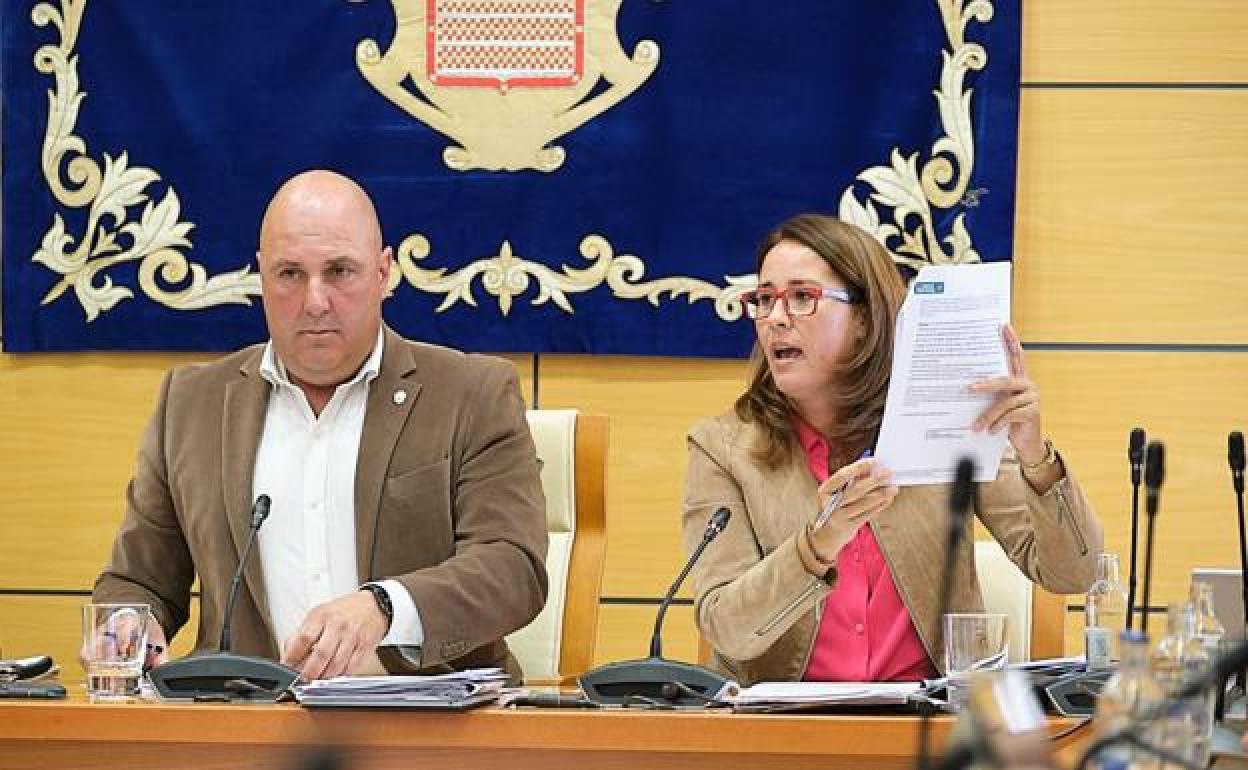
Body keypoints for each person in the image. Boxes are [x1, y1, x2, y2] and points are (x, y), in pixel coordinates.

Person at [91, 170, 548, 682]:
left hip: (428, 717)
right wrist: (128, 624)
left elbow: (513, 568)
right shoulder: (191, 403)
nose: (314, 301)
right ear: (261, 276)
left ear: (383, 273)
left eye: (340, 271)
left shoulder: (471, 394)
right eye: (289, 274)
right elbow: (139, 580)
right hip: (246, 717)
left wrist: (385, 607)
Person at [682, 214, 1103, 686]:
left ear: (865, 319)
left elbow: (1075, 574)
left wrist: (1034, 457)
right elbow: (726, 629)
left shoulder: (945, 419)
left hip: (928, 721)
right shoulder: (724, 449)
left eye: (802, 297)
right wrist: (816, 545)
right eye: (764, 299)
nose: (775, 318)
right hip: (785, 722)